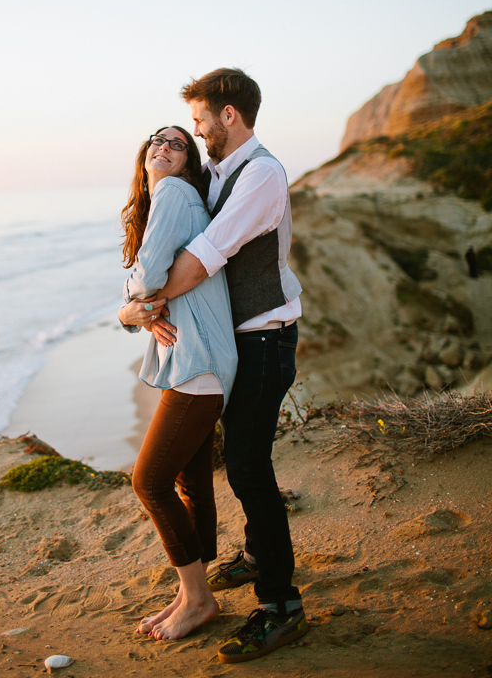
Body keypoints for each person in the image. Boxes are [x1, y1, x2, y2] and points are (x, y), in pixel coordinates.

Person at [149, 69, 309, 663]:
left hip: (265, 341)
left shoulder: (261, 174)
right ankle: (258, 557)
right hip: (236, 345)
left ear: (229, 116)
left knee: (246, 465)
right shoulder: (216, 171)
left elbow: (201, 261)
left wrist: (143, 306)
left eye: (199, 121)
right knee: (237, 460)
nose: (196, 131)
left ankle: (281, 607)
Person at [118, 126, 238, 641]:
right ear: (143, 156)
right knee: (190, 481)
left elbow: (146, 281)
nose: (162, 146)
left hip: (197, 362)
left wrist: (130, 306)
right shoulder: (176, 199)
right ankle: (195, 591)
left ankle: (199, 599)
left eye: (177, 142)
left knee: (148, 481)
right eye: (155, 140)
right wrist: (134, 313)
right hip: (198, 361)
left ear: (187, 163)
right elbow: (148, 296)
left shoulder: (172, 192)